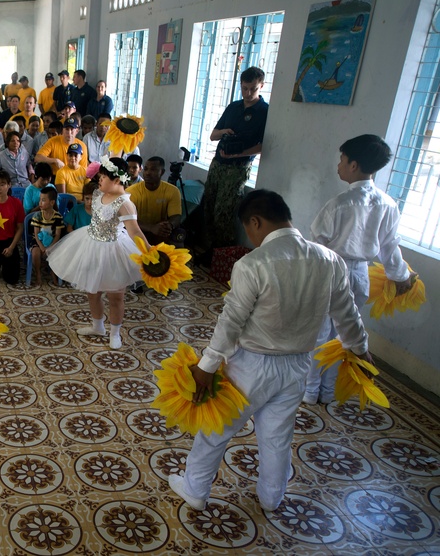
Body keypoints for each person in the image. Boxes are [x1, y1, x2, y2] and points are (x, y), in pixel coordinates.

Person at [169, 189, 369, 514]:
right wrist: (360, 349)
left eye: (249, 229)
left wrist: (207, 365)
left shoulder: (253, 263)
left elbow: (231, 320)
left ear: (256, 221)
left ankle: (194, 489)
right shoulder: (330, 260)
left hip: (251, 366)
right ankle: (271, 498)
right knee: (277, 437)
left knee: (216, 430)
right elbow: (346, 313)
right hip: (298, 366)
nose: (250, 236)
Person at [305, 135, 416, 404]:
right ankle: (330, 392)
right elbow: (390, 248)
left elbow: (316, 246)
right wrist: (401, 276)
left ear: (354, 165)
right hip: (359, 276)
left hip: (331, 271)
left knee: (318, 333)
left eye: (342, 160)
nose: (339, 165)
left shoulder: (339, 204)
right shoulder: (388, 204)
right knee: (346, 334)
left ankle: (309, 391)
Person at [48, 163, 147, 349]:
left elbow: (135, 231)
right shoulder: (98, 194)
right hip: (91, 245)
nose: (99, 179)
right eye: (99, 176)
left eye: (103, 177)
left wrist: (149, 250)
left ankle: (115, 333)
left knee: (115, 295)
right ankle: (98, 326)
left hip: (113, 250)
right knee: (93, 291)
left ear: (117, 180)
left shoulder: (125, 203)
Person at [198, 66, 269, 259]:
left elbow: (263, 146)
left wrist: (239, 154)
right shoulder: (233, 107)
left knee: (224, 211)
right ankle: (210, 250)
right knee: (209, 206)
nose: (247, 93)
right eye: (244, 88)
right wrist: (225, 132)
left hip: (237, 168)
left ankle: (223, 255)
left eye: (252, 89)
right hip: (218, 163)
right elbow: (213, 135)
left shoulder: (265, 112)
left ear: (261, 86)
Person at [126, 155, 182, 245]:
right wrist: (151, 228)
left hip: (161, 232)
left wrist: (169, 225)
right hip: (137, 231)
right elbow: (127, 220)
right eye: (146, 169)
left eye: (153, 169)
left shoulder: (173, 191)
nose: (147, 173)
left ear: (162, 172)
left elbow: (176, 216)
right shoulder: (131, 191)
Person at [30, 186, 64, 286]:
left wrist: (50, 247)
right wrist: (41, 247)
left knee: (56, 253)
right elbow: (36, 234)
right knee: (36, 253)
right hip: (38, 241)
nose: (40, 203)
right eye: (40, 200)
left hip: (52, 241)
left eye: (43, 200)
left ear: (52, 202)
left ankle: (54, 273)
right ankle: (38, 274)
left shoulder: (57, 216)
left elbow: (57, 235)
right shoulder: (37, 216)